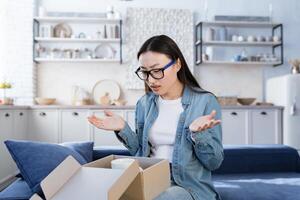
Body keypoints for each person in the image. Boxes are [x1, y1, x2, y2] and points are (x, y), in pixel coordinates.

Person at [88, 35, 224, 200]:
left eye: (157, 70)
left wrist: (199, 135)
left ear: (177, 65)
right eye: (145, 72)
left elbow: (214, 162)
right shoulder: (145, 104)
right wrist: (123, 128)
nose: (151, 80)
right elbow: (139, 152)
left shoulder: (205, 101)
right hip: (148, 178)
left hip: (186, 186)